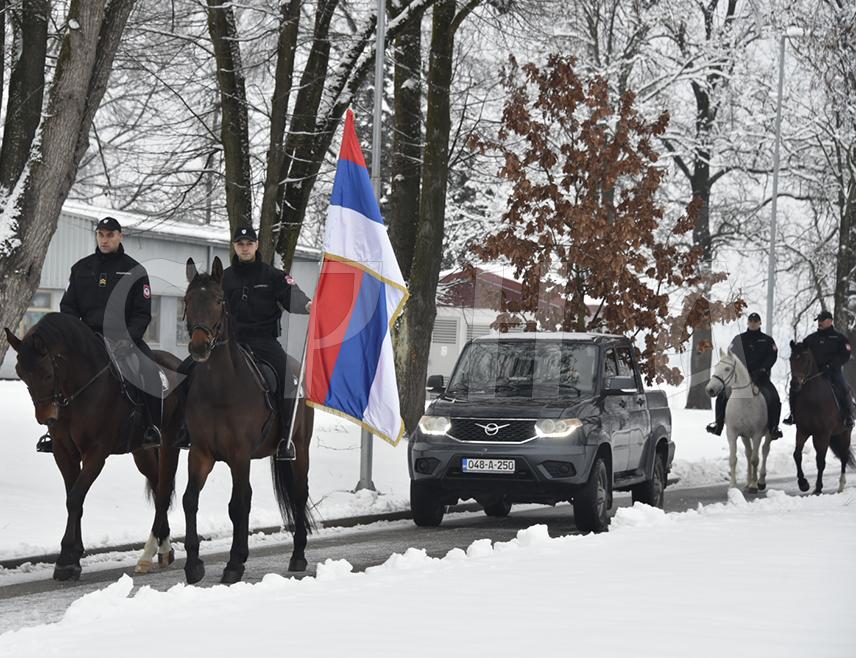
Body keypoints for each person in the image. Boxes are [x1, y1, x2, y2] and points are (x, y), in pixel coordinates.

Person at [176, 226, 311, 460]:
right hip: (229, 343)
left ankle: (285, 439)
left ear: (257, 245)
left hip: (265, 343)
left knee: (288, 378)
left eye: (249, 243)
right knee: (184, 371)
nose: (245, 247)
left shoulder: (273, 276)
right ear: (234, 247)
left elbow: (293, 297)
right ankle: (183, 429)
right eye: (240, 243)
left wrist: (307, 305)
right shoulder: (223, 278)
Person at [48, 216, 162, 452]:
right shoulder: (81, 268)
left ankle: (152, 428)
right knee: (54, 371)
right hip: (87, 341)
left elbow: (142, 313)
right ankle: (54, 431)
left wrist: (127, 339)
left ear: (120, 236)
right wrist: (76, 334)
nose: (104, 239)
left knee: (150, 370)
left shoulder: (135, 270)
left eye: (110, 235)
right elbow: (68, 307)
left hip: (124, 340)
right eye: (100, 234)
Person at [706, 312, 782, 439]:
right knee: (723, 395)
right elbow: (731, 356)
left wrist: (763, 369)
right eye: (751, 321)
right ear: (747, 323)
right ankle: (718, 424)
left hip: (761, 378)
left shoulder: (768, 340)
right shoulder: (738, 339)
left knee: (774, 397)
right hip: (740, 378)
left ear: (760, 323)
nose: (753, 323)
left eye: (756, 321)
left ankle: (773, 428)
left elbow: (772, 356)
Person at [783, 309, 853, 428]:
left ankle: (847, 416)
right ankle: (793, 415)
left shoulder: (839, 338)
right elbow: (802, 351)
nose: (819, 322)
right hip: (812, 374)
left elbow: (845, 355)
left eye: (822, 320)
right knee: (794, 387)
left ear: (830, 321)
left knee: (843, 387)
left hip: (833, 372)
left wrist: (831, 365)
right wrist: (796, 348)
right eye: (818, 320)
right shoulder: (811, 339)